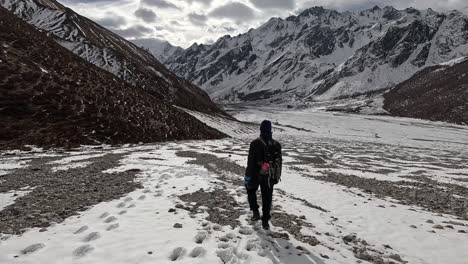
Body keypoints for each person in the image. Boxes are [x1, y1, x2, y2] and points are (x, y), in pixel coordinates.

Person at [244, 120, 282, 230]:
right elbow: (279, 162)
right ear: (270, 130)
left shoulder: (255, 143)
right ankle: (265, 221)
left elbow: (250, 162)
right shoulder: (276, 144)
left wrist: (248, 176)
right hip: (270, 176)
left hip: (256, 174)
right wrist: (276, 177)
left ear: (261, 129)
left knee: (251, 190)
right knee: (267, 197)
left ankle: (255, 212)